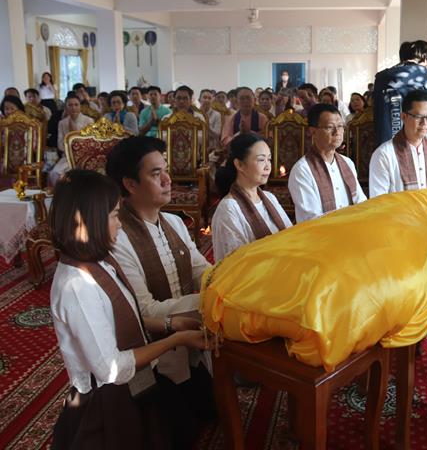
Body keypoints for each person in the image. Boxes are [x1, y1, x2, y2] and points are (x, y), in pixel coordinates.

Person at [48, 169, 214, 450]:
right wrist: (176, 340)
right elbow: (112, 369)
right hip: (107, 401)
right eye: (114, 215)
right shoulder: (77, 285)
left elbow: (125, 319)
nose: (121, 225)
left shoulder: (99, 261)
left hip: (134, 385)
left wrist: (173, 325)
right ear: (89, 221)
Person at [106, 137, 215, 424]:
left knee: (212, 413)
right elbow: (145, 311)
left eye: (165, 170)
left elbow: (201, 270)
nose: (168, 179)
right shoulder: (119, 238)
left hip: (189, 340)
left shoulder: (175, 222)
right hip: (152, 355)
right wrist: (212, 301)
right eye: (156, 174)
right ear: (130, 184)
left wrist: (226, 281)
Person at [211, 133, 292, 261]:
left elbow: (291, 236)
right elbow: (236, 262)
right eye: (261, 160)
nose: (267, 166)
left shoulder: (269, 198)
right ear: (239, 165)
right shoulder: (229, 209)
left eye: (269, 159)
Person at [288, 103, 367, 222]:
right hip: (320, 236)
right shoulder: (302, 170)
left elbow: (362, 203)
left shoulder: (347, 163)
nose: (337, 132)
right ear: (312, 131)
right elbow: (311, 219)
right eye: (330, 127)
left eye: (340, 126)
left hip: (353, 229)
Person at [369, 90, 427, 197]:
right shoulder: (383, 155)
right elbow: (377, 202)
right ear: (404, 117)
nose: (424, 123)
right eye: (418, 117)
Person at [373, 40, 427, 145]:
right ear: (425, 58)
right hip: (420, 140)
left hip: (387, 140)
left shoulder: (381, 77)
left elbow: (377, 114)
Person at [48, 94, 94, 186]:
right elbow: (60, 145)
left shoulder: (89, 121)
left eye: (76, 105)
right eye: (70, 105)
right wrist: (70, 150)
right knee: (54, 173)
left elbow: (91, 143)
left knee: (75, 175)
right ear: (66, 107)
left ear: (80, 106)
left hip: (84, 156)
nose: (73, 108)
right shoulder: (62, 123)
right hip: (67, 156)